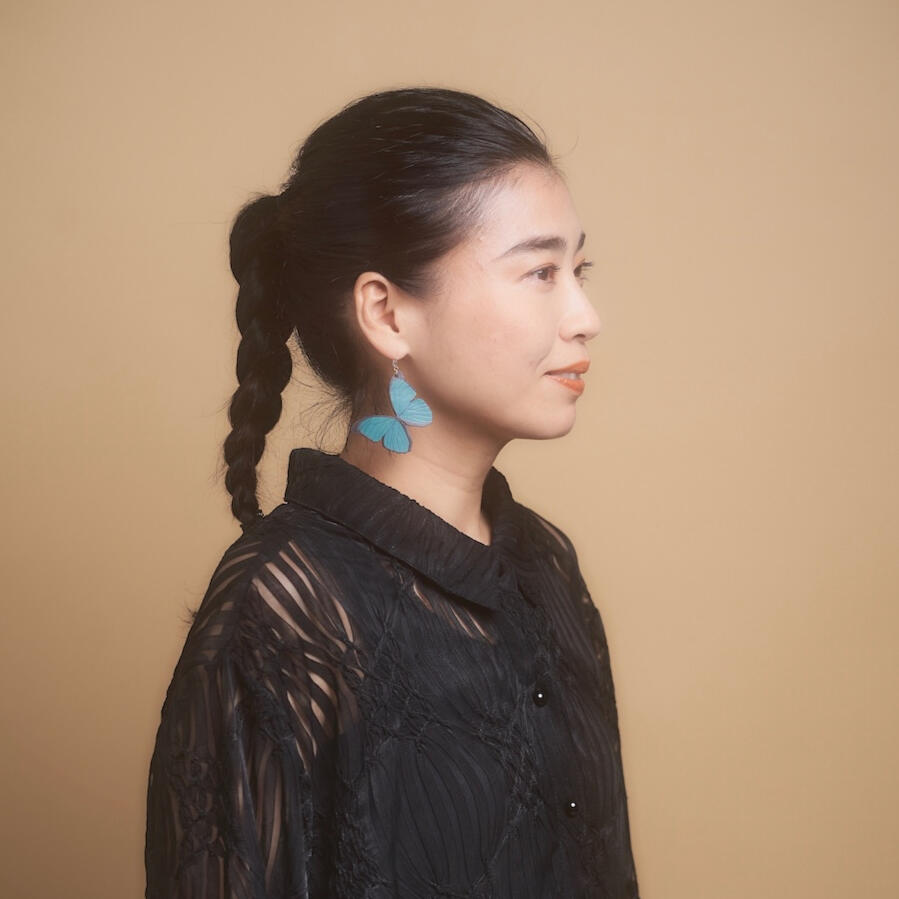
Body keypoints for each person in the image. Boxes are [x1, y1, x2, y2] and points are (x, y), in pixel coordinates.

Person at [145, 86, 640, 899]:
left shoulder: (544, 564)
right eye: (539, 272)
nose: (584, 316)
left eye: (577, 269)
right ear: (385, 312)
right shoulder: (284, 607)